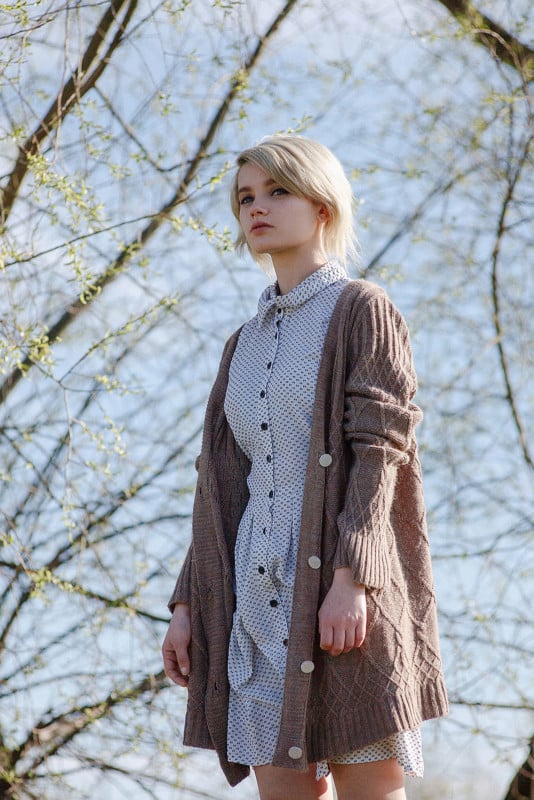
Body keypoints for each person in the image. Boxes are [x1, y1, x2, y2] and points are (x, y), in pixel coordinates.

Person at [162, 134, 448, 800]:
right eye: (246, 197)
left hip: (343, 589)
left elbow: (380, 451)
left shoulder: (361, 310)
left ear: (321, 202)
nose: (257, 208)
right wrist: (185, 604)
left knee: (369, 787)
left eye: (277, 191)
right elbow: (219, 485)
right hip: (254, 599)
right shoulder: (244, 341)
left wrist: (353, 577)